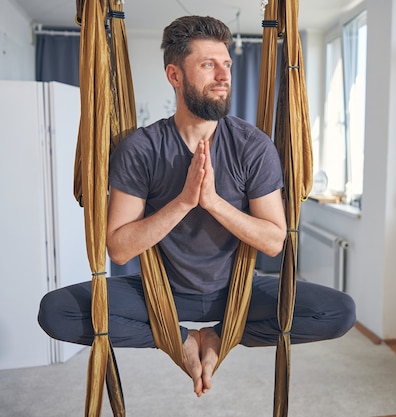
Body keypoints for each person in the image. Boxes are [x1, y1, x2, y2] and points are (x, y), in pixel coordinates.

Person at [38, 15, 356, 398]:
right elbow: (119, 247)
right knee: (56, 312)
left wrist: (214, 203)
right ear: (175, 75)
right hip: (160, 293)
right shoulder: (141, 148)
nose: (223, 75)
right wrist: (185, 201)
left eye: (227, 65)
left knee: (338, 313)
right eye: (208, 65)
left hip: (236, 291)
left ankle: (223, 334)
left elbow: (274, 241)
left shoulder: (252, 146)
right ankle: (181, 338)